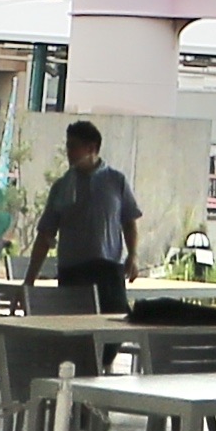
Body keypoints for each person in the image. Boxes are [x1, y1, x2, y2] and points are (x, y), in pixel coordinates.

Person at [21, 121, 139, 312]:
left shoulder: (116, 181)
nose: (69, 152)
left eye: (73, 147)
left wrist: (132, 255)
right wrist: (29, 280)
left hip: (108, 270)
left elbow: (129, 222)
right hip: (73, 271)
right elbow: (45, 235)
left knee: (113, 324)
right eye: (68, 146)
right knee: (73, 326)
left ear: (91, 148)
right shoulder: (62, 186)